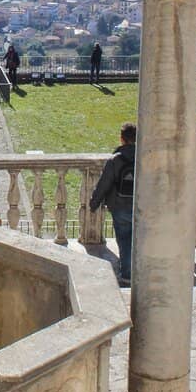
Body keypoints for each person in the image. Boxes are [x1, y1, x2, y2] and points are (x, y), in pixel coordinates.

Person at [89, 123, 136, 286]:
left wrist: (94, 203)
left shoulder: (115, 160)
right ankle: (135, 270)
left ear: (122, 139)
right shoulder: (145, 157)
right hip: (140, 205)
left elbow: (104, 184)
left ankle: (127, 273)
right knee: (138, 239)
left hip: (120, 205)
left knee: (123, 240)